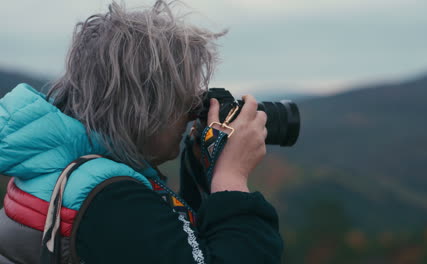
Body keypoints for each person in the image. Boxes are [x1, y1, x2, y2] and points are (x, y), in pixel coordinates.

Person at [0, 1, 283, 264]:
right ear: (145, 108)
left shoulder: (69, 171)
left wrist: (199, 164)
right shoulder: (108, 198)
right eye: (184, 103)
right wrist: (231, 178)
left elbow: (183, 245)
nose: (188, 117)